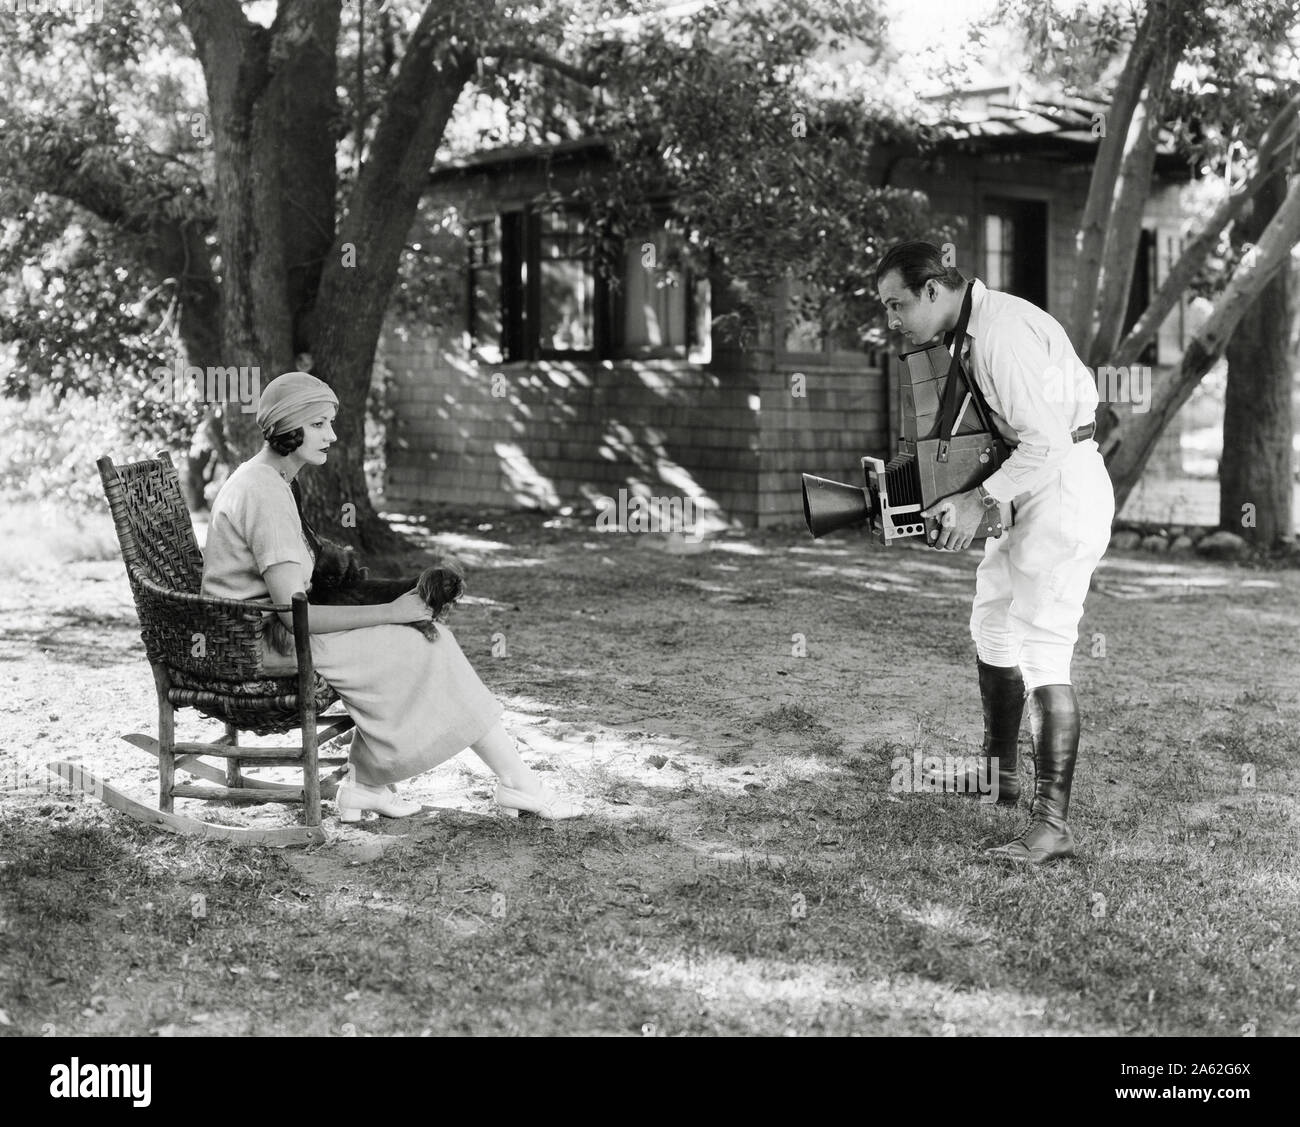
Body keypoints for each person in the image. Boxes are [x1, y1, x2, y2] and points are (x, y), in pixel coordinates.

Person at [200, 370, 583, 822]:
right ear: (290, 426)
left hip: (266, 634)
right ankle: (495, 783)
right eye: (319, 424)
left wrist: (391, 604)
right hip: (255, 644)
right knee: (420, 641)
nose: (332, 435)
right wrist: (391, 610)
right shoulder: (264, 491)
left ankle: (379, 785)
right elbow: (292, 617)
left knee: (427, 638)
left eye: (330, 423)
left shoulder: (271, 478)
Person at [875, 241, 1114, 865]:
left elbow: (1047, 442)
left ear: (934, 289)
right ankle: (998, 776)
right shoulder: (970, 330)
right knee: (991, 623)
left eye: (898, 303)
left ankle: (1052, 826)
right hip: (1030, 486)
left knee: (1042, 644)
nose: (893, 319)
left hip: (1062, 488)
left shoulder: (1000, 334)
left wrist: (978, 500)